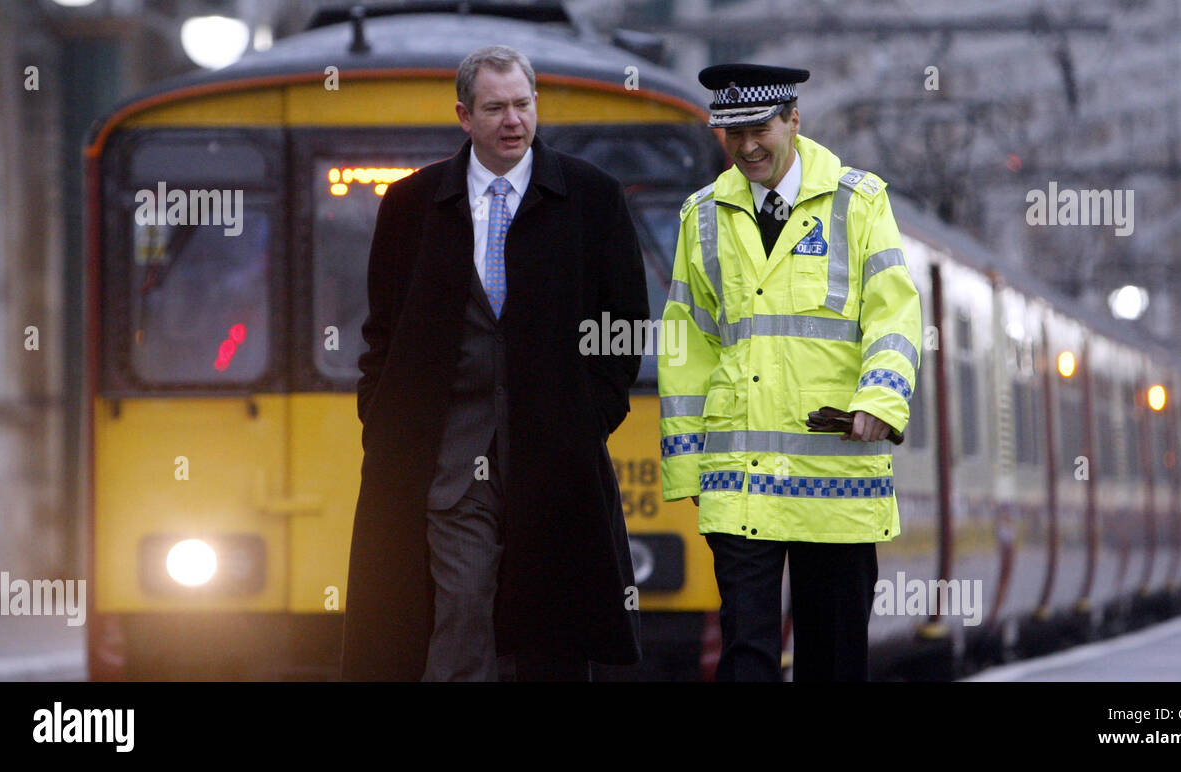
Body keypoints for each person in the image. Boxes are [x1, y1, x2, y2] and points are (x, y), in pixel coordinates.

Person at [342, 45, 647, 681]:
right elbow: (382, 331)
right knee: (462, 602)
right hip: (452, 455)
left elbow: (622, 327)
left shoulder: (592, 199)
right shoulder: (410, 205)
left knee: (552, 623)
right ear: (464, 116)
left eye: (523, 105)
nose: (513, 120)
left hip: (555, 454)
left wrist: (592, 417)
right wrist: (384, 420)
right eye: (495, 108)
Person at [658, 63, 922, 681]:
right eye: (732, 134)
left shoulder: (859, 203)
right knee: (746, 656)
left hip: (832, 474)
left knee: (832, 658)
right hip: (738, 480)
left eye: (759, 130)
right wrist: (688, 464)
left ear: (793, 121)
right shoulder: (700, 216)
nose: (747, 147)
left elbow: (895, 316)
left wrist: (880, 401)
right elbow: (685, 345)